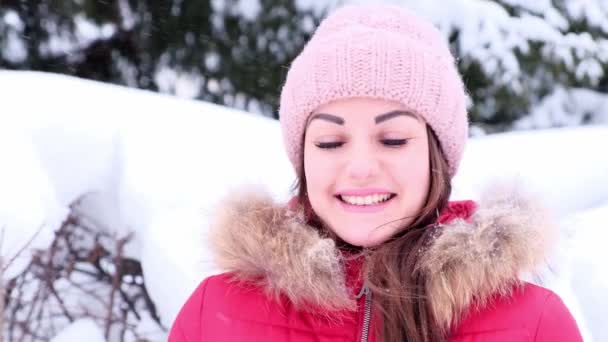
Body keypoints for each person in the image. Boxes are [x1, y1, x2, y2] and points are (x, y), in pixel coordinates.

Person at [168, 4, 583, 342]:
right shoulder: (214, 313)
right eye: (331, 142)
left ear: (436, 155)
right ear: (303, 160)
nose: (362, 167)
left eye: (394, 140)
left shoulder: (534, 324)